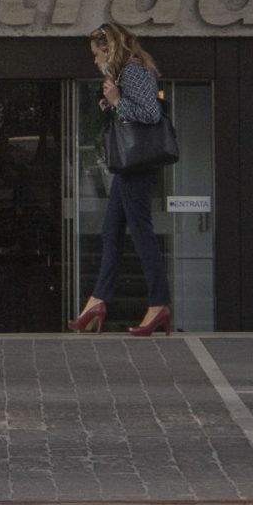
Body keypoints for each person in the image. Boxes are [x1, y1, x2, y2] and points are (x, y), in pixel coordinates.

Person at [69, 21, 173, 336]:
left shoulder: (134, 72)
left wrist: (116, 101)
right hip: (129, 167)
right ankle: (97, 301)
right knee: (110, 231)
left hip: (138, 166)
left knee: (140, 233)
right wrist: (110, 105)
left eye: (96, 53)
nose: (95, 60)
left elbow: (151, 114)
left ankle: (159, 303)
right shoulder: (125, 76)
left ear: (110, 49)